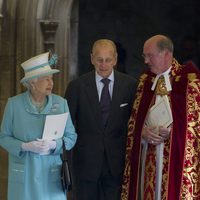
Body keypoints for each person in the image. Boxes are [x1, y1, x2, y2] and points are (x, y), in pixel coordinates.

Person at [121, 34, 200, 200]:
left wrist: (172, 131)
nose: (146, 61)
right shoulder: (145, 81)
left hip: (175, 162)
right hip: (146, 159)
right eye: (144, 56)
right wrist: (142, 132)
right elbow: (133, 121)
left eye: (149, 55)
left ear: (166, 54)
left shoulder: (189, 81)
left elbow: (195, 128)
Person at [65, 39, 138, 200]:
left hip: (117, 164)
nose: (103, 65)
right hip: (85, 165)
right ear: (92, 59)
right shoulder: (76, 87)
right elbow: (67, 127)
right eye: (99, 60)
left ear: (116, 59)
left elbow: (135, 123)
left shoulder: (131, 86)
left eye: (108, 60)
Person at [0, 52, 77, 200]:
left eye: (52, 79)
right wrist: (25, 146)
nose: (51, 83)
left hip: (51, 176)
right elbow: (3, 137)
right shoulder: (14, 104)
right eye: (46, 79)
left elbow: (71, 137)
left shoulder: (61, 103)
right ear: (32, 83)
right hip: (25, 176)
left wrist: (54, 144)